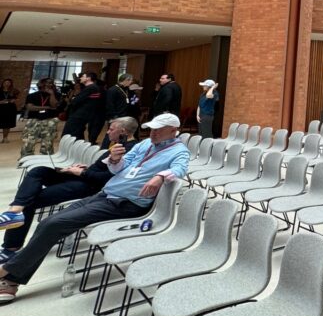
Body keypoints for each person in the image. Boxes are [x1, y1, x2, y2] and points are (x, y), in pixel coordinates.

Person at [0, 113, 189, 303]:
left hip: (125, 204)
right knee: (48, 223)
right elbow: (120, 168)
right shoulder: (144, 145)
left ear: (173, 131)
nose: (153, 133)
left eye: (159, 129)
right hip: (105, 195)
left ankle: (7, 273)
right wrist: (115, 160)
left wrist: (161, 176)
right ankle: (12, 278)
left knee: (54, 224)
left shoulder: (179, 151)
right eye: (152, 128)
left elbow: (180, 169)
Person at [0, 117, 140, 259]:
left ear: (123, 131)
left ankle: (12, 247)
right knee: (38, 171)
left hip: (90, 186)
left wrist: (83, 172)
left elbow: (107, 178)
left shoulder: (128, 150)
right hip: (84, 176)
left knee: (31, 201)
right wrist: (83, 168)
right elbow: (102, 167)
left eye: (111, 129)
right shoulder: (116, 145)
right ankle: (15, 209)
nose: (108, 132)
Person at [20, 78, 61, 157]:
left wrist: (52, 94)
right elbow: (30, 107)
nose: (50, 85)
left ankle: (46, 161)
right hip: (34, 120)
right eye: (47, 83)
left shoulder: (57, 95)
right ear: (40, 84)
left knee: (47, 142)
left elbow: (54, 105)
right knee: (28, 141)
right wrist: (47, 107)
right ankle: (25, 159)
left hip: (50, 120)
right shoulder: (32, 95)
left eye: (51, 83)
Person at [62, 72, 102, 141]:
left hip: (79, 116)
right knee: (78, 135)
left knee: (69, 136)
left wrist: (72, 100)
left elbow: (76, 101)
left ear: (88, 78)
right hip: (82, 115)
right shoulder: (92, 87)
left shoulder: (91, 88)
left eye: (83, 76)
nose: (80, 78)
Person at [101, 73, 134, 148]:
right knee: (110, 133)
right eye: (130, 80)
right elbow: (109, 104)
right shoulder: (113, 90)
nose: (131, 82)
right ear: (125, 80)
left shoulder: (126, 89)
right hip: (116, 116)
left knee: (123, 133)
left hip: (124, 116)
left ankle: (121, 148)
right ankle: (103, 148)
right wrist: (114, 117)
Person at [0, 79, 19, 143]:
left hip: (10, 108)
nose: (7, 84)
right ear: (3, 83)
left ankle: (5, 137)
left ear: (11, 84)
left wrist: (14, 100)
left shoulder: (13, 91)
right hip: (1, 108)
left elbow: (18, 97)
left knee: (8, 124)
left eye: (9, 82)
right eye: (6, 82)